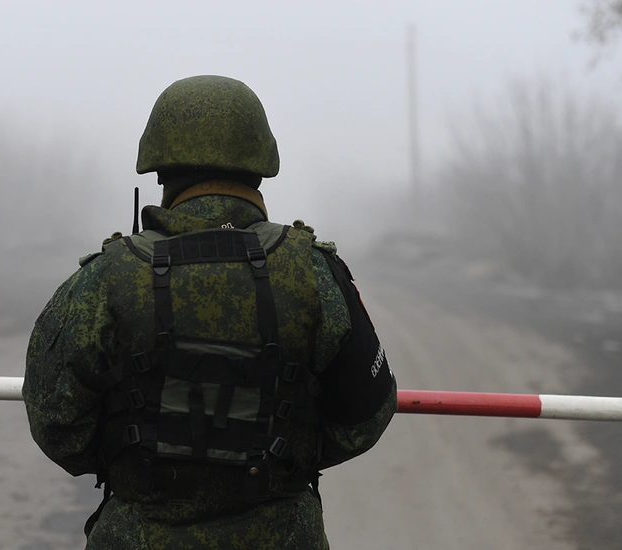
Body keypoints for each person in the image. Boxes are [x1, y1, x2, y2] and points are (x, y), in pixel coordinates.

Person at [23, 75, 397, 549]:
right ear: (260, 166)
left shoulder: (105, 278)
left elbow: (56, 425)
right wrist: (281, 457)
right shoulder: (314, 272)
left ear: (161, 171)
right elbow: (365, 419)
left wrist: (139, 461)